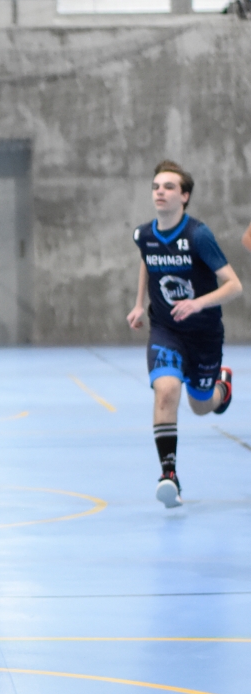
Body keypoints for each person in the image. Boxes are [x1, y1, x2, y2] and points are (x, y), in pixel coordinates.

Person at [129, 160, 239, 508]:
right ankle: (169, 475)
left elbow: (234, 285)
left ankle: (222, 387)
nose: (160, 192)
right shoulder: (144, 235)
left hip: (204, 335)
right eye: (156, 186)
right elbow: (147, 260)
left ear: (185, 196)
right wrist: (138, 305)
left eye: (169, 187)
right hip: (166, 330)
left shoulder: (198, 235)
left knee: (201, 406)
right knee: (166, 390)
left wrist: (198, 303)